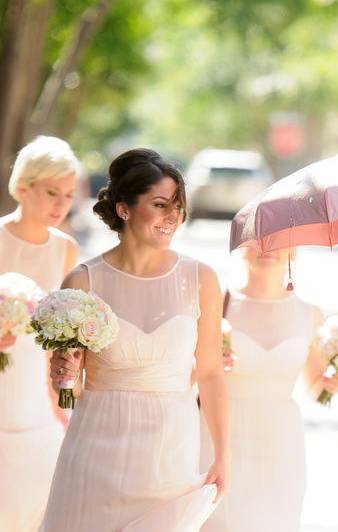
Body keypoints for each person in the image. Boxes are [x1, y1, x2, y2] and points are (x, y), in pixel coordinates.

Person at [43, 148, 229, 531]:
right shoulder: (83, 282)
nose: (172, 217)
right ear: (125, 208)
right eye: (160, 204)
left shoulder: (201, 279)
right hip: (95, 449)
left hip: (169, 454)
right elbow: (69, 390)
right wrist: (63, 376)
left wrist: (223, 455)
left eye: (177, 206)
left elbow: (210, 373)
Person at [199, 246, 338, 532]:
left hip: (281, 442)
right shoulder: (218, 303)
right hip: (221, 436)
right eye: (258, 238)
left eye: (278, 240)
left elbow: (315, 389)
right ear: (241, 248)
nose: (267, 248)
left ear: (294, 251)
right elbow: (190, 375)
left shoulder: (310, 313)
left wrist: (332, 383)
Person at [0, 136, 79, 532]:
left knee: (37, 501)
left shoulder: (65, 249)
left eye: (67, 195)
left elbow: (62, 339)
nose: (60, 204)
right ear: (22, 187)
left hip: (37, 394)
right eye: (51, 192)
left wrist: (63, 402)